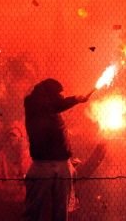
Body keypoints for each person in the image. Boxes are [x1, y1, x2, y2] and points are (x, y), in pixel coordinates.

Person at [23, 78, 92, 221]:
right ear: (50, 94)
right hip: (43, 165)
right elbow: (56, 105)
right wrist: (75, 99)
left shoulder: (49, 108)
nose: (61, 96)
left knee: (61, 208)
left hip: (61, 164)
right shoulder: (34, 104)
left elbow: (56, 105)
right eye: (59, 94)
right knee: (35, 208)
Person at [0, 122, 32, 220]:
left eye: (16, 136)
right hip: (5, 202)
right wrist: (7, 189)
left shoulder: (28, 156)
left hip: (24, 202)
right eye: (10, 136)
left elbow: (29, 179)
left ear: (23, 138)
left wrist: (22, 155)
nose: (12, 139)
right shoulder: (1, 156)